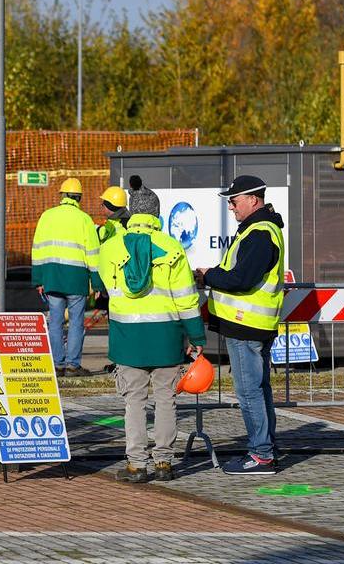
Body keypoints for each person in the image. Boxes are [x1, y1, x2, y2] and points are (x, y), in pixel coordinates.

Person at [98, 204, 204, 483]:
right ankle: (164, 462)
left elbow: (107, 286)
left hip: (127, 336)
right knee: (166, 400)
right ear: (156, 214)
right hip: (166, 335)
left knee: (133, 401)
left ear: (133, 214)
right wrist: (196, 335)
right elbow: (186, 297)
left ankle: (136, 464)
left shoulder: (111, 247)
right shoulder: (172, 247)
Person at [196, 175, 285, 475]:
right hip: (251, 325)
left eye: (234, 201)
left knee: (250, 392)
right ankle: (267, 448)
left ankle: (261, 455)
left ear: (253, 200)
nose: (231, 207)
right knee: (259, 389)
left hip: (246, 326)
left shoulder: (260, 233)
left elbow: (241, 279)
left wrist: (209, 276)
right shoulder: (257, 230)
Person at [32, 177, 102, 377]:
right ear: (78, 198)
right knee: (76, 322)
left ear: (62, 195)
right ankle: (72, 365)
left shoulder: (47, 216)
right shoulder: (84, 220)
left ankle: (57, 363)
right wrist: (96, 284)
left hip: (52, 278)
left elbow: (37, 250)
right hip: (76, 280)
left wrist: (38, 280)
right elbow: (93, 254)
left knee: (55, 321)